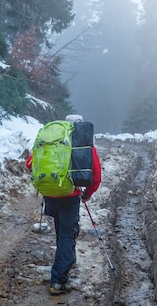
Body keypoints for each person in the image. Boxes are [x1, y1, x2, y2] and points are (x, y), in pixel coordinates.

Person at [26, 114, 101, 295]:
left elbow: (30, 163)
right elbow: (96, 175)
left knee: (62, 231)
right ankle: (58, 280)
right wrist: (87, 194)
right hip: (69, 195)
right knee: (68, 234)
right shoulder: (82, 145)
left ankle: (66, 259)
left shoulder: (52, 140)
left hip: (50, 194)